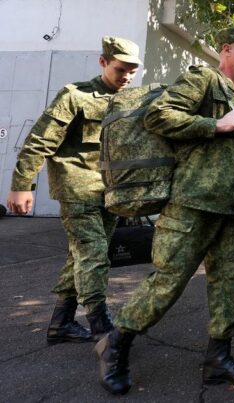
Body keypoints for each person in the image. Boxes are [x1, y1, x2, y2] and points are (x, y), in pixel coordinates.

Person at [94, 28, 234, 395]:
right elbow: (158, 116)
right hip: (192, 204)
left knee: (233, 285)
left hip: (233, 212)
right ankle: (116, 344)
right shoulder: (202, 79)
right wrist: (212, 124)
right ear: (226, 51)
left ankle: (218, 359)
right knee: (168, 282)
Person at [5, 36, 141, 343]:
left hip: (111, 192)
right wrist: (22, 186)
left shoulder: (127, 101)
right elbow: (39, 141)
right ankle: (101, 326)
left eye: (133, 71)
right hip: (77, 188)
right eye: (121, 69)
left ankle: (61, 323)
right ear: (103, 62)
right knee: (93, 254)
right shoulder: (74, 95)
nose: (127, 76)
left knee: (81, 255)